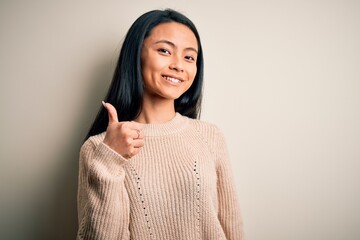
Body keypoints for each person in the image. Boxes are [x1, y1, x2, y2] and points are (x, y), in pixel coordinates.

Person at [76, 9, 244, 240]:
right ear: (136, 55)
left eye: (189, 57)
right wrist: (109, 159)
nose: (178, 65)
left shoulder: (209, 136)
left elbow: (231, 225)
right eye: (164, 50)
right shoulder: (98, 149)